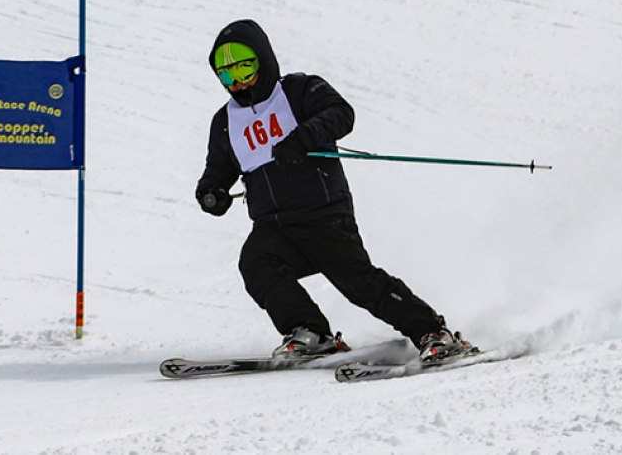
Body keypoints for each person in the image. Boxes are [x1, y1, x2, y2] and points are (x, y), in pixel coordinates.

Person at [195, 19, 475, 362]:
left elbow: (341, 113)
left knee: (360, 284)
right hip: (274, 226)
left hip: (323, 216)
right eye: (227, 76)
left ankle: (433, 332)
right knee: (256, 263)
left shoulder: (298, 91)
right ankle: (310, 332)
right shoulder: (225, 121)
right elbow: (219, 167)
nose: (238, 82)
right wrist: (212, 191)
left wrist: (302, 139)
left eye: (245, 69)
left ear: (264, 61)